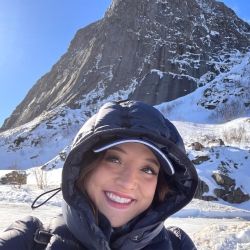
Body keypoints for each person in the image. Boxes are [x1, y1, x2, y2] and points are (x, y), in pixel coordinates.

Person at [0, 100, 198, 249]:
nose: (128, 182)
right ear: (82, 168)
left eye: (148, 169)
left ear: (161, 185)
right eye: (114, 159)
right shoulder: (27, 240)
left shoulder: (178, 245)